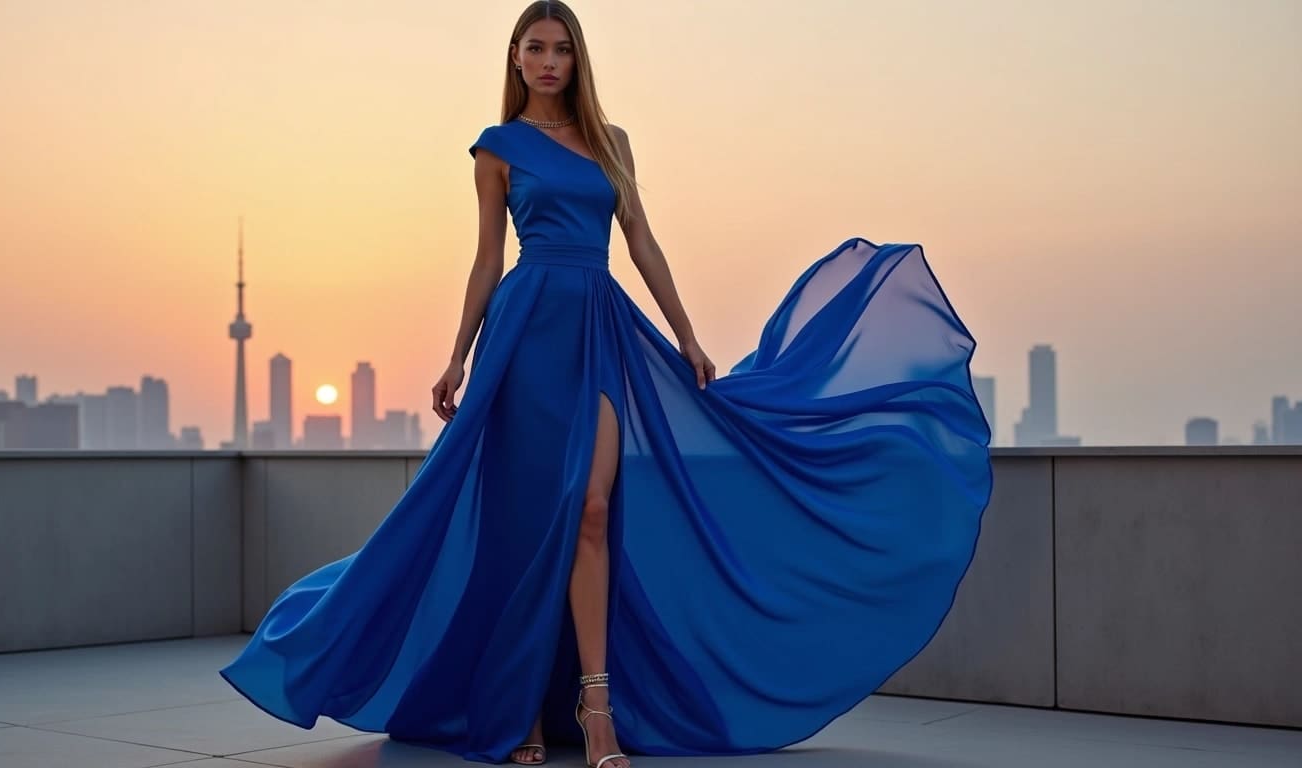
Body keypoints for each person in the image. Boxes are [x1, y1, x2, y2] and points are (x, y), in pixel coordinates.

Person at [220, 2, 993, 767]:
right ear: (515, 58)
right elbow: (487, 259)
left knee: (591, 510)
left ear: (576, 59)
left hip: (601, 327)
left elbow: (643, 244)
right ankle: (517, 702)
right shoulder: (497, 149)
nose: (550, 61)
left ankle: (597, 708)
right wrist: (459, 354)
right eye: (536, 48)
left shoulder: (609, 143)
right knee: (527, 523)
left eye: (562, 49)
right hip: (524, 334)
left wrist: (687, 334)